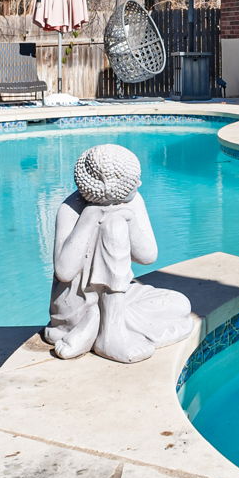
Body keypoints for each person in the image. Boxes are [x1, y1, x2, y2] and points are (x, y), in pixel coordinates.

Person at [45, 144, 195, 362]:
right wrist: (90, 217)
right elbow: (65, 272)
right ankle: (109, 335)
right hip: (75, 303)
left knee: (180, 304)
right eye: (135, 180)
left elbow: (147, 256)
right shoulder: (71, 209)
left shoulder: (133, 202)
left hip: (117, 299)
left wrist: (130, 217)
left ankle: (96, 323)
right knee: (113, 225)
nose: (140, 183)